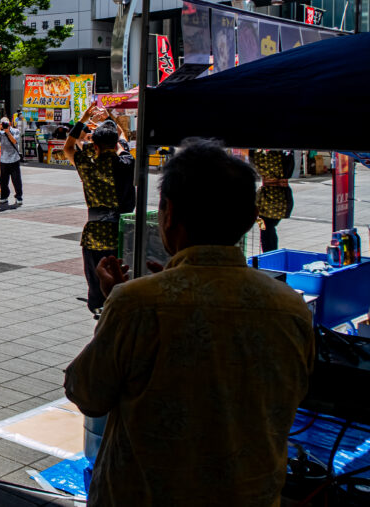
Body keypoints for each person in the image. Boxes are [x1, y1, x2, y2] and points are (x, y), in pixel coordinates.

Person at [63, 139, 315, 506]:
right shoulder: (290, 308)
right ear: (248, 218)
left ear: (168, 214)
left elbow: (87, 393)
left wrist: (116, 303)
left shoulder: (137, 303)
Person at [64, 109, 134, 317]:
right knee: (119, 271)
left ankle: (98, 305)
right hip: (120, 232)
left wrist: (84, 120)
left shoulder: (88, 166)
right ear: (115, 145)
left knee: (95, 276)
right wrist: (110, 120)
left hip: (94, 233)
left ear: (95, 146)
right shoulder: (126, 162)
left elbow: (68, 146)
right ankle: (117, 305)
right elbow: (122, 138)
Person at [250, 149, 295, 252]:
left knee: (265, 229)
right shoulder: (279, 158)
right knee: (265, 228)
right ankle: (269, 252)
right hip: (273, 200)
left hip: (269, 201)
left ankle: (269, 252)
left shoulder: (263, 157)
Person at [0, 115, 22, 204]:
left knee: (16, 180)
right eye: (2, 124)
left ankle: (19, 197)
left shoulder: (16, 131)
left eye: (6, 123)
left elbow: (14, 141)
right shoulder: (0, 133)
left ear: (9, 123)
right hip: (4, 160)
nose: (5, 125)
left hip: (14, 159)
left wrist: (8, 132)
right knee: (3, 181)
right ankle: (4, 196)